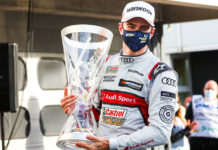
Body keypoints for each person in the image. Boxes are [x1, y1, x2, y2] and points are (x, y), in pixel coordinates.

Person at [61, 1, 178, 150]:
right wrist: (77, 111)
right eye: (131, 26)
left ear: (152, 32)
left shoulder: (161, 73)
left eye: (144, 28)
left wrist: (112, 144)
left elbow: (161, 132)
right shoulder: (105, 64)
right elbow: (95, 112)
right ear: (121, 28)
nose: (137, 32)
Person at [185, 80, 218, 150]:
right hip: (197, 139)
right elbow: (187, 119)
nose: (210, 91)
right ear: (204, 89)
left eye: (212, 89)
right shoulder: (195, 101)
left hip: (215, 139)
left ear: (217, 91)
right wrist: (188, 131)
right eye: (208, 89)